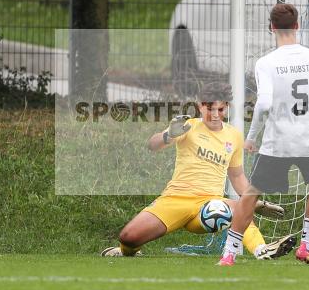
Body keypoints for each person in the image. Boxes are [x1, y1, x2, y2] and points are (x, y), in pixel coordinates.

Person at [101, 81, 296, 259]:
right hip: (175, 200)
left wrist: (253, 202)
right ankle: (126, 251)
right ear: (199, 106)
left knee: (236, 208)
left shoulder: (234, 136)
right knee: (128, 237)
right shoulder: (188, 126)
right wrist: (168, 135)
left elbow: (236, 175)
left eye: (219, 109)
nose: (214, 115)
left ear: (227, 107)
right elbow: (152, 145)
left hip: (209, 206)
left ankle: (262, 250)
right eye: (209, 109)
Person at [219, 3, 309, 266]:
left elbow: (263, 104)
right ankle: (306, 246)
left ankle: (229, 253)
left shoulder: (266, 63)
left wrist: (251, 137)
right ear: (297, 26)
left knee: (251, 193)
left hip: (278, 143)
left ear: (271, 28)